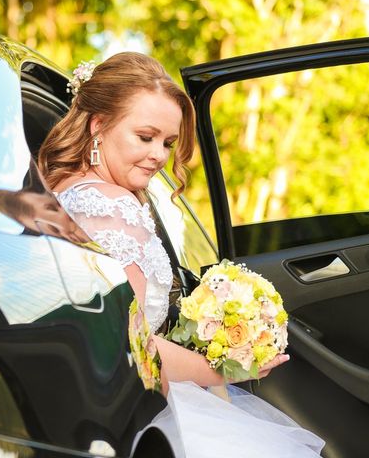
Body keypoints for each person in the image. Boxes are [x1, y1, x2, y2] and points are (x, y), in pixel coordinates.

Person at [38, 52, 325, 457]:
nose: (159, 155)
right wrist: (225, 369)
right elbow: (130, 348)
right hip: (139, 412)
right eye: (145, 136)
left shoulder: (67, 189)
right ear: (98, 125)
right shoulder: (112, 210)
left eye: (168, 143)